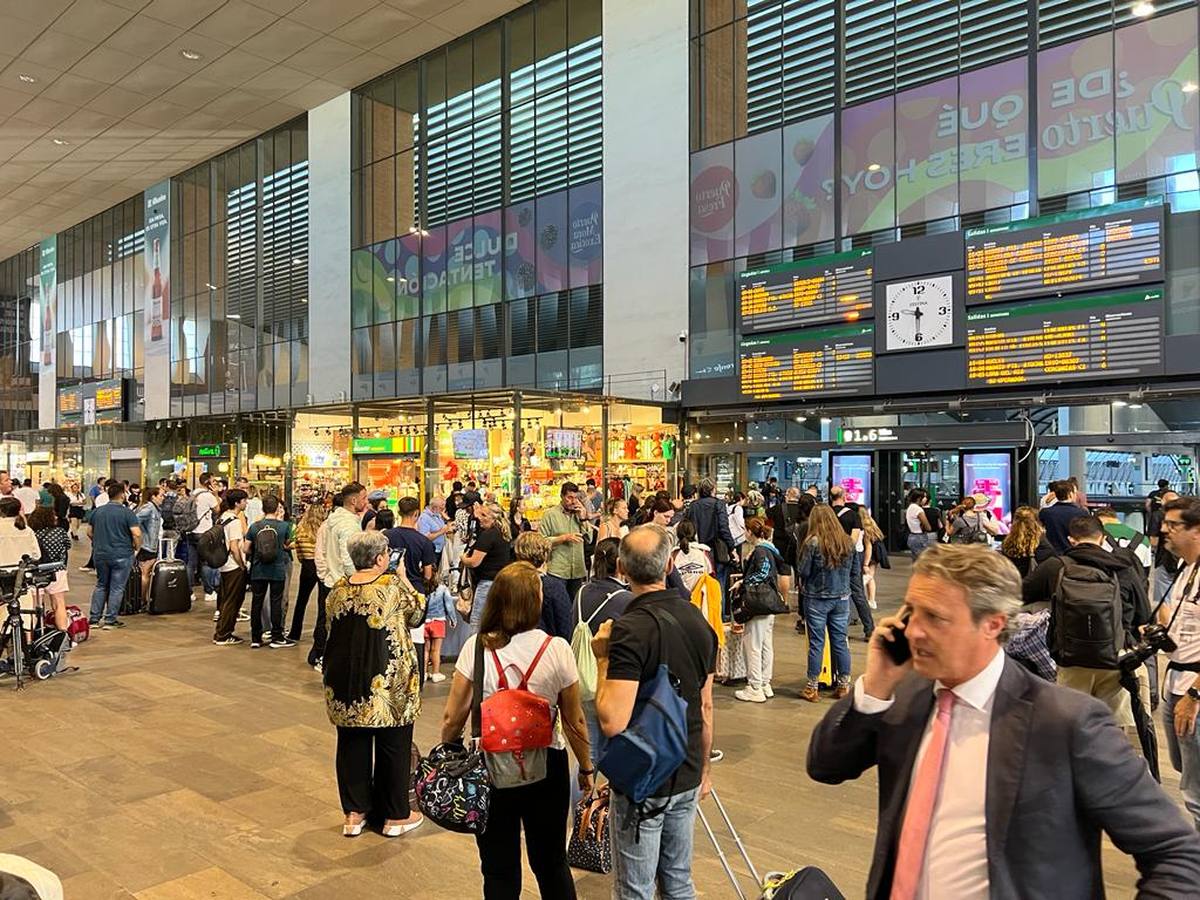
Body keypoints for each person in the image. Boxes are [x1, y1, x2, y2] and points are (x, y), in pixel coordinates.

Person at [806, 543, 1200, 898]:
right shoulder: (906, 695)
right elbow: (825, 765)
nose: (914, 631)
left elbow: (1177, 853)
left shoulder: (1066, 723)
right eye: (911, 611)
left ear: (993, 624)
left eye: (935, 617)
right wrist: (876, 684)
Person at [441, 561, 593, 898]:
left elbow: (453, 716)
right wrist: (586, 766)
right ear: (534, 602)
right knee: (551, 861)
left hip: (491, 767)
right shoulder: (557, 649)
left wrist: (447, 750)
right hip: (546, 765)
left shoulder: (476, 647)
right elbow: (574, 720)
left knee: (498, 867)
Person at [591, 526, 716, 899]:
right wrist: (705, 770)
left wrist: (602, 659)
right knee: (678, 879)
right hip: (688, 765)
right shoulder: (699, 622)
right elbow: (706, 705)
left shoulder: (629, 629)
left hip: (643, 777)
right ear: (670, 565)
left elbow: (613, 720)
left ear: (621, 568)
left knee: (635, 887)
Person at [324, 530, 425, 838]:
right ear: (381, 558)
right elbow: (418, 612)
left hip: (345, 680)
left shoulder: (336, 590)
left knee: (351, 744)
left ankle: (354, 814)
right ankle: (395, 816)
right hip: (387, 679)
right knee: (394, 744)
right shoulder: (391, 586)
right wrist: (405, 577)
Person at [1021, 514, 1150, 732]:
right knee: (1112, 729)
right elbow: (1144, 613)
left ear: (1071, 540)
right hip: (1115, 657)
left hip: (1071, 658)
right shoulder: (1123, 567)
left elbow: (1020, 593)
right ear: (1102, 538)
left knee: (1069, 727)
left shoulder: (1056, 566)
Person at [1158, 496, 1200, 829]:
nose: (1164, 531)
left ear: (1196, 530)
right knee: (1185, 773)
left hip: (1193, 691)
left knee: (1196, 795)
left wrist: (1195, 696)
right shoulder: (1186, 570)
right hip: (1174, 683)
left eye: (1173, 525)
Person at [797, 504, 854, 702]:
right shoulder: (847, 541)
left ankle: (812, 687)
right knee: (840, 641)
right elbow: (854, 572)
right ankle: (844, 685)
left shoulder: (812, 542)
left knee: (816, 643)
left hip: (816, 598)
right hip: (842, 598)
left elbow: (803, 570)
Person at [733, 517, 790, 703]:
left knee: (753, 645)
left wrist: (744, 583)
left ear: (750, 532)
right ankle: (765, 683)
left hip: (758, 604)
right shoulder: (770, 549)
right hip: (769, 603)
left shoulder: (759, 551)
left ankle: (754, 686)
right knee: (765, 644)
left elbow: (762, 572)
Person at [85, 482, 142, 629]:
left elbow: (89, 532)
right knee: (117, 587)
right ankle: (110, 620)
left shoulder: (97, 512)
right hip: (122, 553)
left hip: (101, 554)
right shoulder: (127, 513)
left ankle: (94, 619)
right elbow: (136, 533)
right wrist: (137, 546)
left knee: (101, 585)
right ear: (122, 495)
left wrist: (98, 542)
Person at [244, 495, 295, 649]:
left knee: (257, 602)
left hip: (258, 569)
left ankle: (256, 637)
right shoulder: (284, 526)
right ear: (276, 508)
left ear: (263, 508)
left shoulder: (254, 526)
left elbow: (246, 548)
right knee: (276, 602)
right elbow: (288, 544)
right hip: (277, 569)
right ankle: (277, 636)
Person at [460, 501, 514, 632]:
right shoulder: (504, 533)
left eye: (484, 515)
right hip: (501, 582)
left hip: (487, 584)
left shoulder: (488, 535)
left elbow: (474, 562)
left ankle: (476, 651)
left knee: (477, 624)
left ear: (493, 518)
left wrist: (463, 559)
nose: (479, 518)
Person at [511, 531, 572, 642]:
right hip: (546, 649)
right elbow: (565, 628)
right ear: (545, 554)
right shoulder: (553, 586)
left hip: (515, 648)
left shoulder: (509, 583)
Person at [830, 484, 873, 641]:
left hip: (831, 555)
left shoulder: (827, 515)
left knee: (834, 591)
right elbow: (854, 539)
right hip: (849, 556)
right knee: (858, 593)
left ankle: (837, 629)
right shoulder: (853, 515)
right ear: (844, 496)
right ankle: (869, 629)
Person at [538, 482, 593, 602]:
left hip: (577, 570)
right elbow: (541, 541)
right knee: (558, 606)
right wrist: (563, 538)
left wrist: (583, 518)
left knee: (575, 605)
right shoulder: (550, 515)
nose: (573, 501)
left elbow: (589, 539)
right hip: (558, 570)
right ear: (562, 496)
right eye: (569, 497)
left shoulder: (579, 514)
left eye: (576, 498)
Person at [684, 478, 735, 600]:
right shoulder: (719, 504)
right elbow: (724, 528)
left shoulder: (693, 506)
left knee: (699, 584)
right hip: (717, 550)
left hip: (698, 550)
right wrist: (731, 547)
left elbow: (688, 527)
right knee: (718, 585)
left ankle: (702, 614)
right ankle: (718, 616)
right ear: (713, 489)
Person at [212, 489, 249, 646]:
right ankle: (223, 634)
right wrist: (242, 565)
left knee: (226, 599)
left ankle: (222, 631)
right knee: (232, 601)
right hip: (233, 566)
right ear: (237, 503)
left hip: (224, 565)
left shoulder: (222, 518)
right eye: (244, 500)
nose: (246, 503)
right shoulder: (233, 521)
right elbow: (234, 547)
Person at [287, 502, 326, 642]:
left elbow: (298, 550)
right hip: (322, 565)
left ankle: (294, 633)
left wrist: (303, 560)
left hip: (307, 565)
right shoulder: (325, 529)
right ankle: (321, 634)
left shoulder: (301, 529)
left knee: (301, 600)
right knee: (322, 603)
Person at [27, 506, 70, 632]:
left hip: (36, 571)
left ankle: (31, 636)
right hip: (57, 569)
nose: (56, 517)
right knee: (58, 603)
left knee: (34, 605)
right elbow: (68, 545)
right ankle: (63, 632)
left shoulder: (31, 533)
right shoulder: (59, 532)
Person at [187, 472, 221, 603]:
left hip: (190, 532)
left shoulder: (193, 493)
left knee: (191, 563)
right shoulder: (208, 496)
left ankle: (189, 592)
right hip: (204, 533)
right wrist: (216, 494)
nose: (215, 484)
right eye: (213, 481)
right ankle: (209, 591)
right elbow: (218, 510)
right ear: (208, 483)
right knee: (206, 563)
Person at [999, 505, 1056, 577]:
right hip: (1034, 586)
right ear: (1036, 523)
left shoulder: (1006, 544)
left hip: (1013, 584)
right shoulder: (1043, 546)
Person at [1095, 506, 1153, 572]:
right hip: (1133, 580)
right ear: (1115, 518)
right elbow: (1145, 570)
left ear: (1096, 520)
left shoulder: (1095, 536)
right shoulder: (1143, 539)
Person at [1038, 479, 1089, 554]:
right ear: (1070, 494)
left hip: (1052, 554)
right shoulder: (1082, 513)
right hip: (1075, 553)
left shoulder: (1045, 513)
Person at [1150, 489, 1182, 604]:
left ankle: (1165, 621)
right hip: (1183, 560)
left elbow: (1153, 540)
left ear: (1162, 502)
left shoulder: (1157, 515)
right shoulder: (1185, 516)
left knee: (1164, 599)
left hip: (1164, 559)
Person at [134, 486, 163, 602]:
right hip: (147, 546)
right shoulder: (149, 508)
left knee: (147, 573)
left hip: (151, 545)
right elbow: (135, 520)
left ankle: (144, 599)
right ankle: (142, 600)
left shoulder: (155, 508)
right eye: (160, 495)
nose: (163, 498)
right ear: (153, 497)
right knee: (145, 573)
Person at [670, 519, 713, 593]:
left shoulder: (673, 555)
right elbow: (711, 574)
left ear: (677, 534)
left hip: (680, 598)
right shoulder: (704, 552)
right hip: (701, 598)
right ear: (695, 533)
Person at [424, 570, 451, 682]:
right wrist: (452, 619)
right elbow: (449, 605)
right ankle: (436, 673)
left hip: (425, 622)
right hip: (438, 622)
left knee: (425, 650)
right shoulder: (443, 589)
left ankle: (424, 673)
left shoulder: (424, 588)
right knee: (436, 650)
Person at [858, 506, 885, 612]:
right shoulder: (871, 523)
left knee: (867, 576)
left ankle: (870, 600)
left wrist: (865, 563)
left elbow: (868, 547)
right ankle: (872, 600)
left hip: (870, 555)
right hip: (876, 554)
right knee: (870, 577)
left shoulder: (864, 527)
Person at [417, 495, 452, 565]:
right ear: (434, 507)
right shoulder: (424, 518)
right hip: (432, 552)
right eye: (441, 508)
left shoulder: (437, 514)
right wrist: (442, 531)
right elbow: (425, 537)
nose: (443, 510)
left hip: (440, 550)